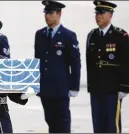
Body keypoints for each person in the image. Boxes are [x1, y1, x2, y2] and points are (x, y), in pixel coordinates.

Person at [34, 0, 81, 133]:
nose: (47, 16)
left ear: (59, 14)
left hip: (61, 88)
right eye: (46, 12)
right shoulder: (40, 34)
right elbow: (37, 61)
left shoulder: (68, 35)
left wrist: (74, 86)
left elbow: (75, 62)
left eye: (50, 12)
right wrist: (36, 83)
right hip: (45, 87)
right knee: (50, 120)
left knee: (62, 122)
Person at [86, 0, 129, 133]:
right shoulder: (92, 35)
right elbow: (90, 63)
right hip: (96, 89)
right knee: (98, 125)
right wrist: (90, 87)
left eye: (102, 13)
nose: (98, 16)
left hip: (113, 89)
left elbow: (127, 62)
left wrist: (125, 87)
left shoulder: (120, 35)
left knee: (112, 125)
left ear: (110, 15)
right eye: (97, 13)